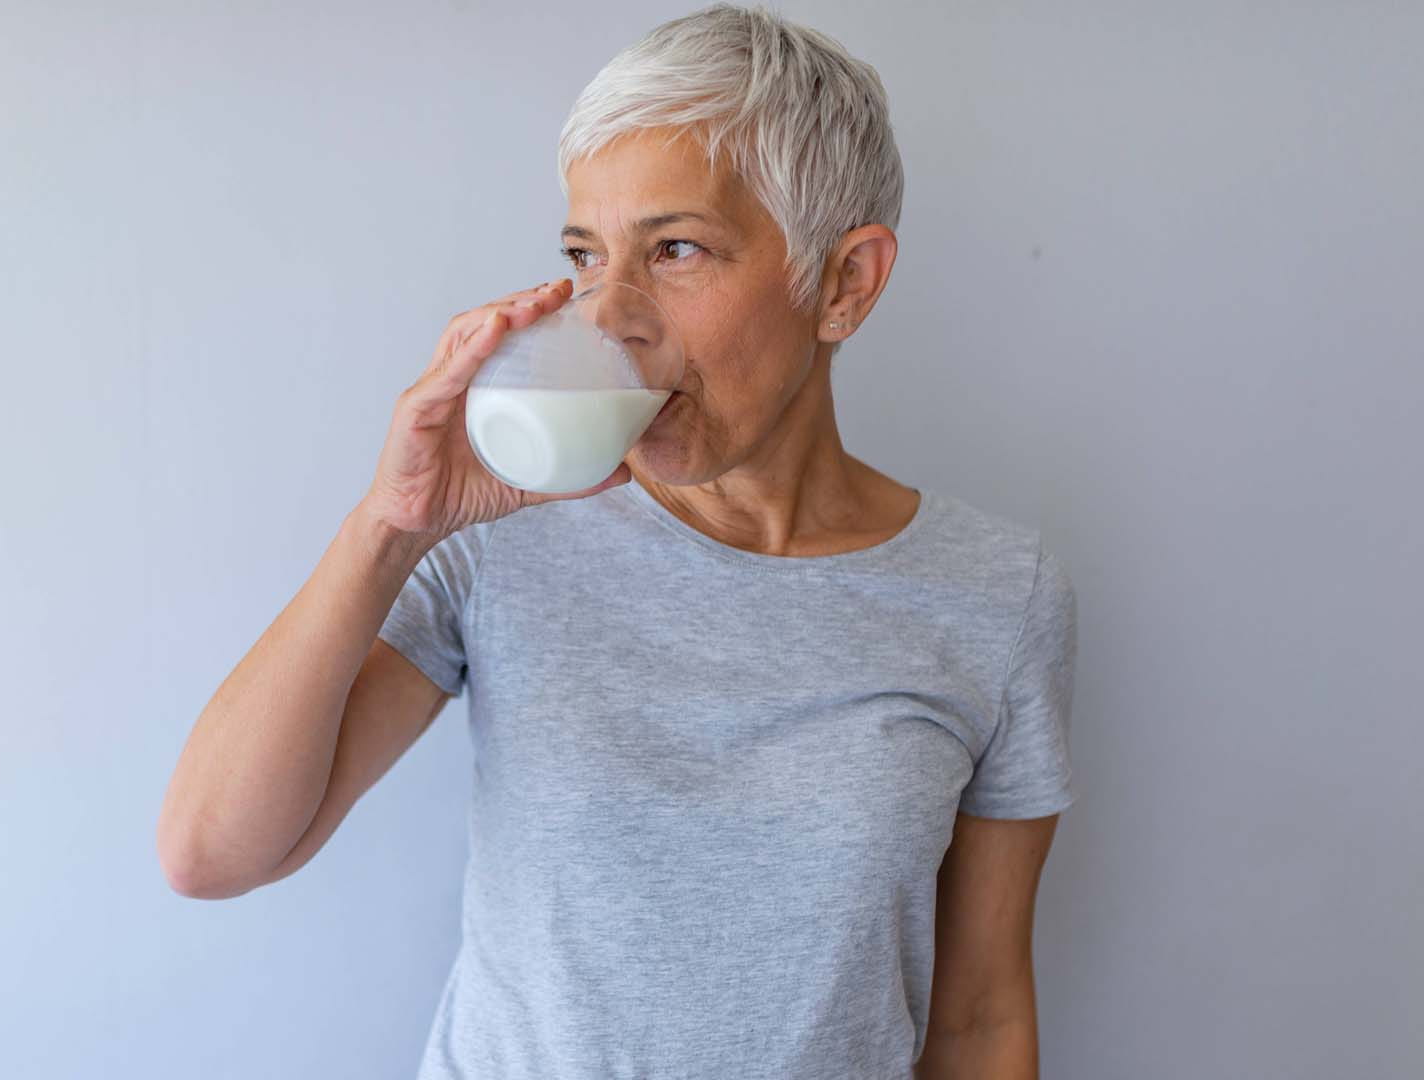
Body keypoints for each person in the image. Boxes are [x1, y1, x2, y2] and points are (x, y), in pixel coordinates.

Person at [158, 5, 1077, 1078]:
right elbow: (211, 853)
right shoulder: (501, 534)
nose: (610, 317)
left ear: (844, 283)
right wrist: (387, 529)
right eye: (586, 255)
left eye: (678, 248)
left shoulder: (996, 596)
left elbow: (976, 1019)